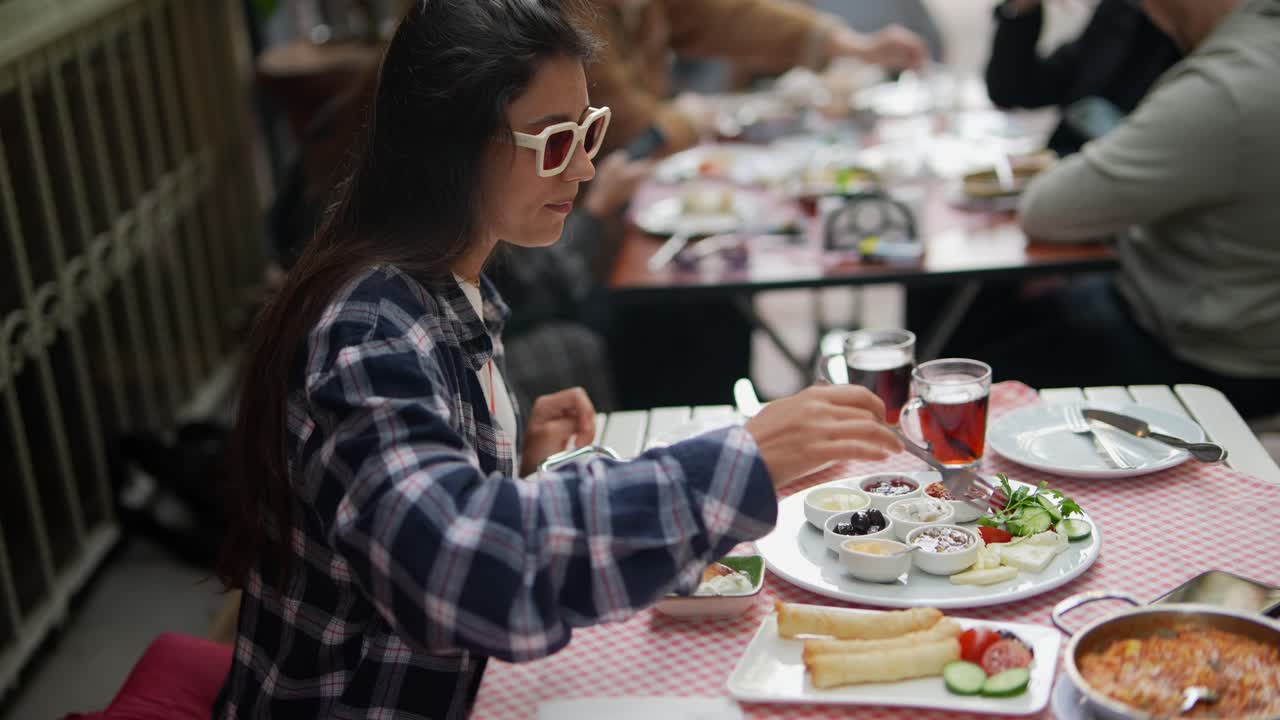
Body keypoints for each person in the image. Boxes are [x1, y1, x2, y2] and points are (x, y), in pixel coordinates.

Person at [214, 2, 903, 718]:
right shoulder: (371, 327)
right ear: (452, 145)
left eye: (589, 131)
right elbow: (460, 570)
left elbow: (418, 510)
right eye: (553, 142)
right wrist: (739, 463)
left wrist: (505, 466)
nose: (584, 166)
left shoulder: (449, 289)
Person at [1001, 0, 1280, 418]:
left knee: (967, 371)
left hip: (1212, 360)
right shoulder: (1253, 55)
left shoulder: (1224, 87)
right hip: (1241, 329)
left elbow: (1046, 210)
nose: (1149, 13)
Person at [586, 0, 930, 156]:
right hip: (584, 217)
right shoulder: (575, 17)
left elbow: (726, 16)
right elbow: (627, 129)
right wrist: (687, 119)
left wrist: (854, 45)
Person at [985, 0, 1182, 157]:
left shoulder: (1186, 42)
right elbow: (1010, 90)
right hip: (1064, 172)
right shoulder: (1121, 11)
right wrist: (1024, 7)